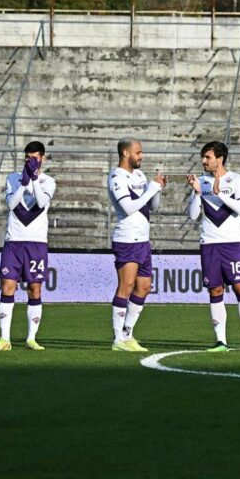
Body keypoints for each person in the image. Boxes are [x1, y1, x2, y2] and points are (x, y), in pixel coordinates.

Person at [186, 141, 240, 353]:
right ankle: (221, 341)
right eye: (203, 157)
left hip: (232, 244)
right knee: (215, 289)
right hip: (209, 244)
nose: (203, 161)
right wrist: (197, 193)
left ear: (219, 159)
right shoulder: (200, 182)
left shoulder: (237, 180)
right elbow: (193, 215)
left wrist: (219, 193)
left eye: (207, 157)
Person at [0, 141, 56, 352]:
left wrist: (34, 179)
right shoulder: (13, 178)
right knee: (7, 287)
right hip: (14, 241)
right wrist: (23, 182)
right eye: (28, 158)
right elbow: (11, 204)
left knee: (34, 289)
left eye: (35, 158)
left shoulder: (48, 181)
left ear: (43, 158)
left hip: (36, 243)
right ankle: (5, 339)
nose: (31, 161)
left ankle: (31, 338)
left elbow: (41, 202)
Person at [108, 138, 166, 352]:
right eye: (138, 152)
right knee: (127, 286)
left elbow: (153, 207)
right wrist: (151, 189)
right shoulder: (116, 177)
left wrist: (157, 190)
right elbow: (129, 207)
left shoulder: (140, 176)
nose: (141, 156)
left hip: (143, 240)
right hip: (126, 240)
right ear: (125, 153)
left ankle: (127, 334)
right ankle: (117, 340)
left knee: (144, 287)